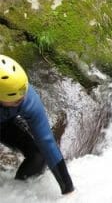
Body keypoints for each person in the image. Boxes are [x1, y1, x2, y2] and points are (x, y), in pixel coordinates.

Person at [0, 55, 74, 195]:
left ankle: (17, 192)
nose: (23, 99)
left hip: (5, 123)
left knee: (38, 156)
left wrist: (68, 189)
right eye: (16, 100)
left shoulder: (28, 99)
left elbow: (46, 141)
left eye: (23, 93)